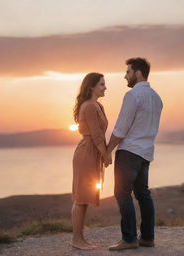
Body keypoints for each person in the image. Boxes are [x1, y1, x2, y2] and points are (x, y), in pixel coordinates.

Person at [106, 57, 163, 251]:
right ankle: (147, 238)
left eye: (128, 72)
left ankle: (129, 238)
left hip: (129, 152)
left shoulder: (132, 95)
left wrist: (107, 151)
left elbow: (121, 129)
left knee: (122, 193)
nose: (125, 76)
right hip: (146, 152)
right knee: (143, 194)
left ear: (137, 73)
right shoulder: (157, 97)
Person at [71, 72, 109, 250]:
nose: (105, 87)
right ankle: (77, 239)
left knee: (84, 197)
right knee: (81, 197)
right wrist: (106, 154)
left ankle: (79, 238)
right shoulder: (89, 107)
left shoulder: (97, 106)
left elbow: (100, 134)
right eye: (102, 84)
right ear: (92, 87)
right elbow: (95, 134)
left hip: (92, 152)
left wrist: (102, 153)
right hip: (87, 152)